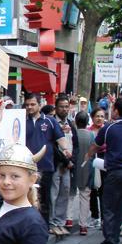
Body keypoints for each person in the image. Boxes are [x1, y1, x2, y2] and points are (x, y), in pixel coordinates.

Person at [23, 93, 72, 225]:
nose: (29, 107)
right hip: (25, 168)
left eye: (33, 104)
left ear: (40, 105)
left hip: (45, 167)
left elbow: (60, 138)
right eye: (27, 105)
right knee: (25, 198)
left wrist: (65, 149)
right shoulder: (21, 120)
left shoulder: (50, 121)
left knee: (44, 199)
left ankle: (43, 226)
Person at [86, 97, 122, 244]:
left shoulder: (109, 128)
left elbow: (95, 146)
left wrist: (88, 155)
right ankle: (115, 236)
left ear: (116, 110)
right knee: (120, 208)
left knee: (109, 209)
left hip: (114, 172)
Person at [49, 95, 77, 235]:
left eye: (66, 106)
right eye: (61, 107)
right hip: (56, 164)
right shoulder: (51, 123)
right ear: (56, 108)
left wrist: (72, 161)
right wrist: (66, 161)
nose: (64, 109)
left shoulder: (71, 124)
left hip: (68, 166)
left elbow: (76, 145)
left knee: (64, 193)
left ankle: (60, 222)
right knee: (53, 194)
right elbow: (52, 146)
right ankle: (51, 222)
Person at [72, 112, 95, 235]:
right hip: (86, 167)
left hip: (73, 166)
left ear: (76, 121)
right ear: (87, 122)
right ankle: (83, 225)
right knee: (85, 196)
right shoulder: (91, 135)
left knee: (70, 194)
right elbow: (93, 153)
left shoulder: (73, 133)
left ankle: (68, 219)